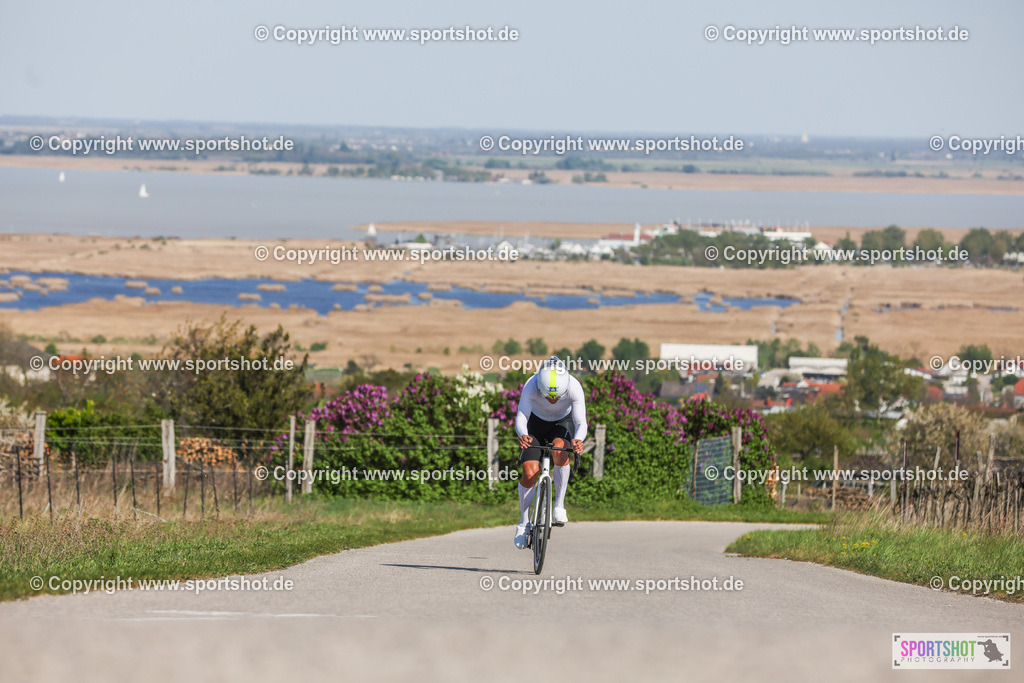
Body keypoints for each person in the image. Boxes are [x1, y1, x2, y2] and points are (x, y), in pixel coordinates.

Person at [513, 356, 587, 549]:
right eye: (548, 397)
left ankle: (559, 505)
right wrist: (523, 434)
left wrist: (578, 439)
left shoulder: (574, 387)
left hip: (561, 424)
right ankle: (523, 522)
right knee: (530, 473)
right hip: (535, 425)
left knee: (561, 450)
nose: (552, 401)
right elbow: (521, 417)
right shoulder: (531, 385)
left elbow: (580, 422)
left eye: (557, 397)